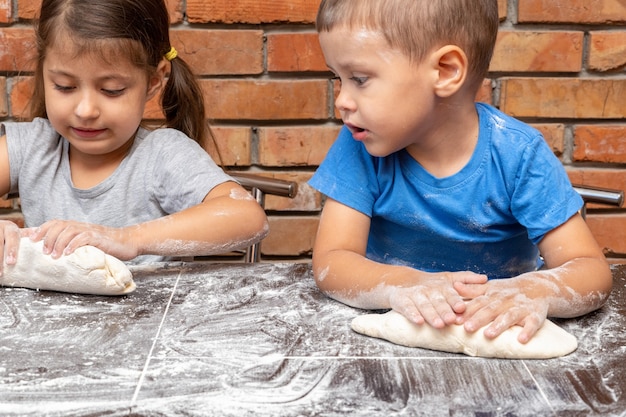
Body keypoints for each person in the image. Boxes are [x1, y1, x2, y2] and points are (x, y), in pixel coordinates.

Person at [309, 0, 612, 344]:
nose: (342, 101)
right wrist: (403, 286)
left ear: (446, 71)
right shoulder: (359, 147)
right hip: (385, 337)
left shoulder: (517, 155)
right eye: (338, 78)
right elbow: (333, 261)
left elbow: (589, 269)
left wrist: (532, 290)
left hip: (499, 334)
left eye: (359, 79)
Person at [0, 0, 269, 269]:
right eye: (65, 86)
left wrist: (128, 238)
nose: (85, 110)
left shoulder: (163, 155)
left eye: (112, 90)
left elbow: (247, 218)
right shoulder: (31, 146)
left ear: (154, 81)